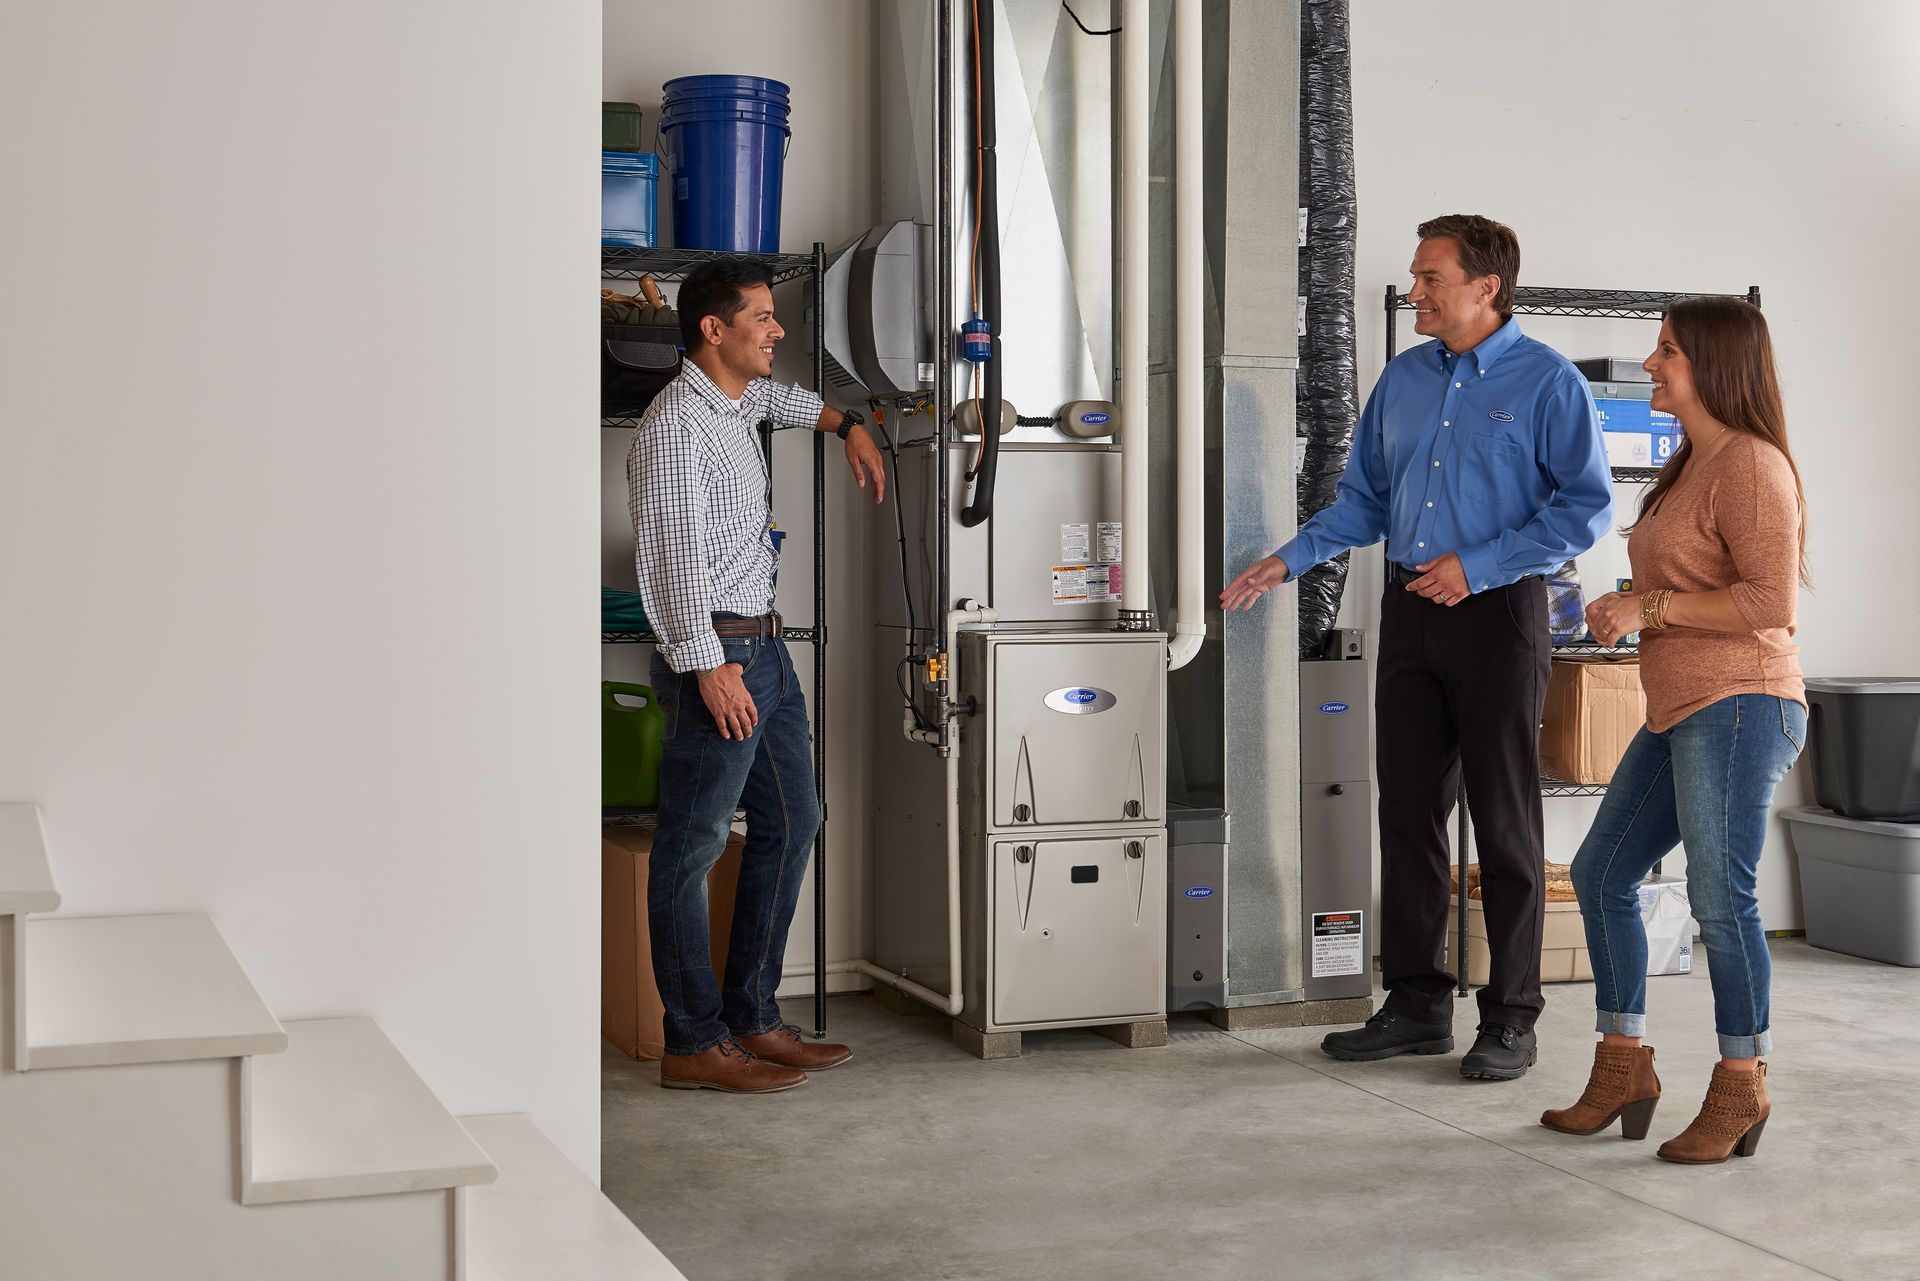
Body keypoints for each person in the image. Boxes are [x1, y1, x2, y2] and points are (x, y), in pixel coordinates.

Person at [1222, 214, 1612, 1080]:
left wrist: (1476, 567)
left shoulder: (1547, 383)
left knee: (1504, 820)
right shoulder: (1402, 379)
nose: (1415, 289)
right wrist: (1288, 559)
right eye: (1414, 273)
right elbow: (1364, 499)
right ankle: (1415, 1002)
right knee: (1404, 813)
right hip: (1410, 613)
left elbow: (1583, 508)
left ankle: (1511, 1014)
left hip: (1499, 613)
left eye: (1431, 276)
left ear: (1487, 287)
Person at [1542, 297, 1807, 1162]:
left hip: (1742, 704)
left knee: (1720, 900)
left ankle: (1743, 1081)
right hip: (1680, 704)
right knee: (1603, 868)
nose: (1650, 364)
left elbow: (1772, 604)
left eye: (1667, 352)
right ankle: (1624, 1062)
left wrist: (1645, 603)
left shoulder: (1753, 466)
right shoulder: (1693, 462)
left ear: (1715, 365)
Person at [627, 258, 885, 1093]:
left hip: (766, 650)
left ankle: (752, 1017)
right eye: (764, 318)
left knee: (795, 819)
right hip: (721, 657)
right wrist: (709, 670)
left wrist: (848, 423)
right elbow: (669, 566)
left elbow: (783, 401)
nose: (777, 331)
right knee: (692, 849)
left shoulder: (738, 401)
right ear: (714, 329)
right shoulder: (676, 429)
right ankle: (691, 1040)